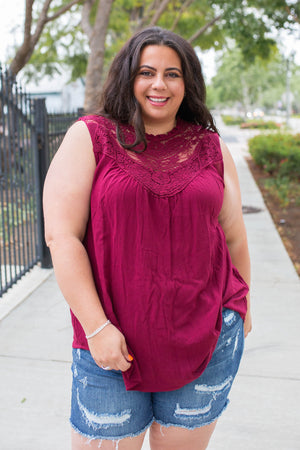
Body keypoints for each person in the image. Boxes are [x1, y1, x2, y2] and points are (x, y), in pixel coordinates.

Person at [43, 26, 252, 450]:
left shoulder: (211, 145)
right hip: (110, 349)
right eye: (147, 72)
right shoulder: (92, 136)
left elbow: (233, 235)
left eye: (173, 74)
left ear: (187, 82)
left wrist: (241, 305)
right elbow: (61, 237)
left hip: (205, 343)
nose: (160, 84)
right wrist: (97, 328)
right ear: (128, 77)